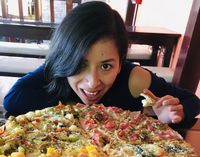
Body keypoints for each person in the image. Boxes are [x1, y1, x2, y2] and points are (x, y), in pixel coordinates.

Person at [3, 1, 200, 127]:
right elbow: (12, 100)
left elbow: (192, 101)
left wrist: (169, 114)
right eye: (79, 64)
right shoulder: (57, 72)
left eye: (106, 66)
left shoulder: (135, 80)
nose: (93, 83)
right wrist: (73, 109)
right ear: (64, 60)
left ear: (121, 62)